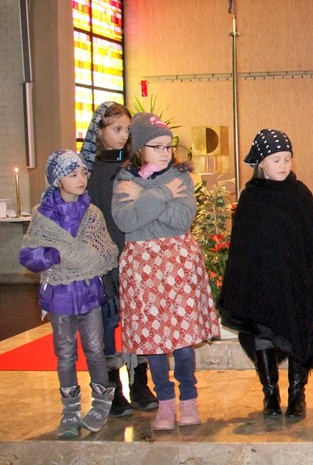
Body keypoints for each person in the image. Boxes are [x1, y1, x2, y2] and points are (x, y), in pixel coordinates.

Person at [218, 129, 313, 419]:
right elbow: (242, 248)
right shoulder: (251, 197)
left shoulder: (300, 194)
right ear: (261, 162)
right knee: (262, 333)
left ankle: (297, 394)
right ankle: (270, 393)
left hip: (294, 282)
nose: (283, 165)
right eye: (276, 160)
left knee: (298, 333)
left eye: (287, 159)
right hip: (262, 283)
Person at [112, 113, 219, 430]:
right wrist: (162, 194)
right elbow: (126, 221)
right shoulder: (124, 180)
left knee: (182, 340)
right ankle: (165, 402)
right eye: (156, 147)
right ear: (139, 148)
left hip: (177, 264)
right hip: (141, 267)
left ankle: (189, 399)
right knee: (153, 340)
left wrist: (144, 200)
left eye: (168, 147)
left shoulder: (180, 177)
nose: (164, 153)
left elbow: (182, 220)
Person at [20, 150, 119, 439]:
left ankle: (100, 402)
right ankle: (70, 409)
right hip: (59, 294)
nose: (81, 179)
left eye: (83, 173)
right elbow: (29, 255)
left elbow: (106, 251)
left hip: (89, 291)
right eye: (73, 174)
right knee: (64, 352)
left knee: (95, 348)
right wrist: (56, 254)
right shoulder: (43, 215)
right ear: (57, 179)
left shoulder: (92, 214)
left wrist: (83, 258)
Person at [80, 102, 158, 416]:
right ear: (99, 132)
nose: (124, 135)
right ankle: (111, 389)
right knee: (107, 325)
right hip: (103, 262)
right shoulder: (88, 173)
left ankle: (140, 384)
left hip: (134, 257)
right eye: (116, 129)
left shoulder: (134, 169)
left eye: (127, 129)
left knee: (138, 323)